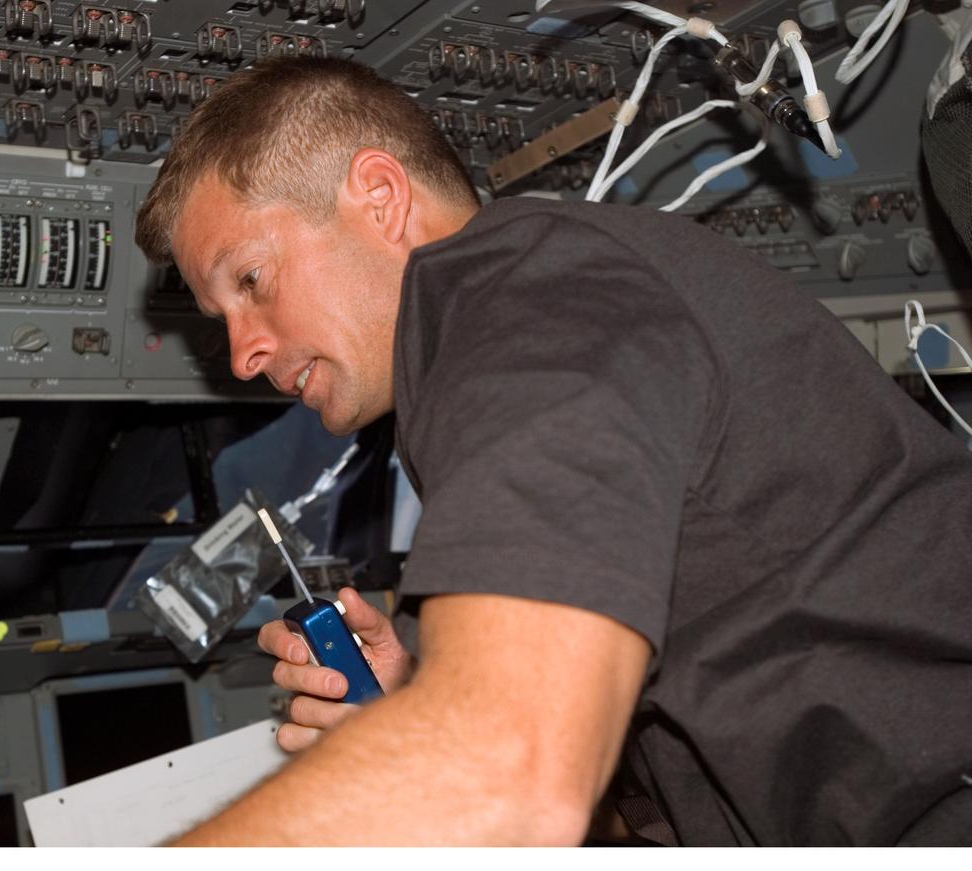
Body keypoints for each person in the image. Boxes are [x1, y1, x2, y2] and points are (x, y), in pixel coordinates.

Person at [134, 56, 972, 845]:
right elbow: (604, 787)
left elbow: (510, 774)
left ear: (380, 197)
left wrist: (449, 736)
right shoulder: (503, 328)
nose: (243, 354)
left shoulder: (527, 304)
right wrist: (414, 710)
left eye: (251, 281)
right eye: (223, 323)